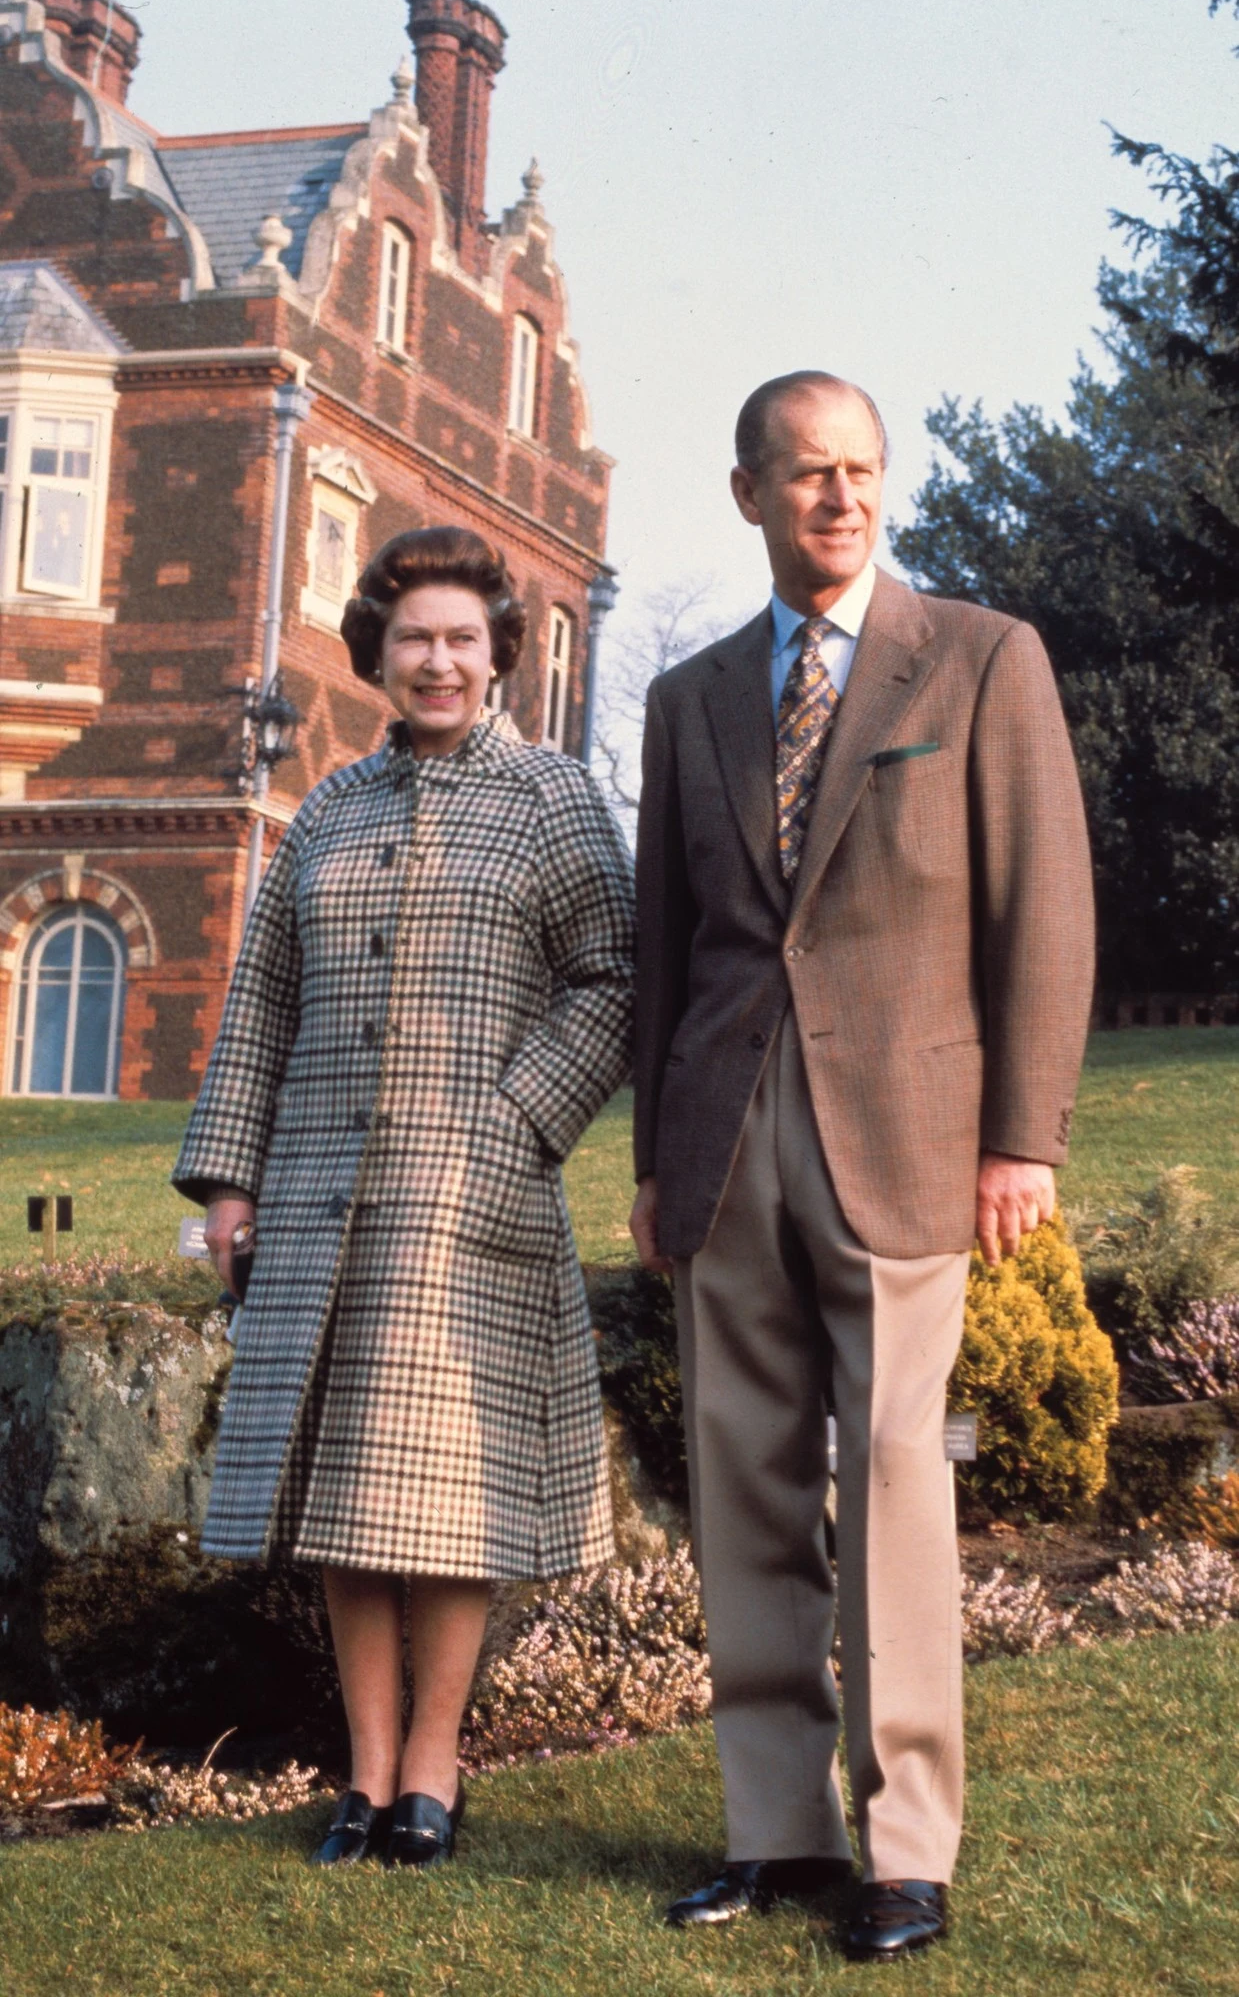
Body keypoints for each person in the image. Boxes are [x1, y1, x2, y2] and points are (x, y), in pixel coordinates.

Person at [630, 372, 1094, 1960]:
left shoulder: (976, 659)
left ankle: (907, 1852)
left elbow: (1043, 910)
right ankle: (778, 1837)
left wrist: (1019, 1137)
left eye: (859, 471)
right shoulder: (685, 697)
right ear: (746, 491)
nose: (836, 497)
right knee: (745, 1491)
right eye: (803, 474)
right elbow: (666, 947)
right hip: (723, 1140)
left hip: (905, 1139)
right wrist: (654, 1159)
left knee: (898, 1481)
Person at [174, 526, 634, 1871]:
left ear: (499, 656)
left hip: (468, 1200)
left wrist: (514, 1124)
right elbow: (260, 996)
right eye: (411, 638)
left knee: (443, 1496)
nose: (436, 661)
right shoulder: (325, 806)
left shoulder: (551, 799)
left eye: (461, 639)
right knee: (341, 1498)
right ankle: (362, 1775)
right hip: (316, 1192)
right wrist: (231, 1179)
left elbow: (612, 976)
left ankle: (433, 1769)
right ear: (375, 651)